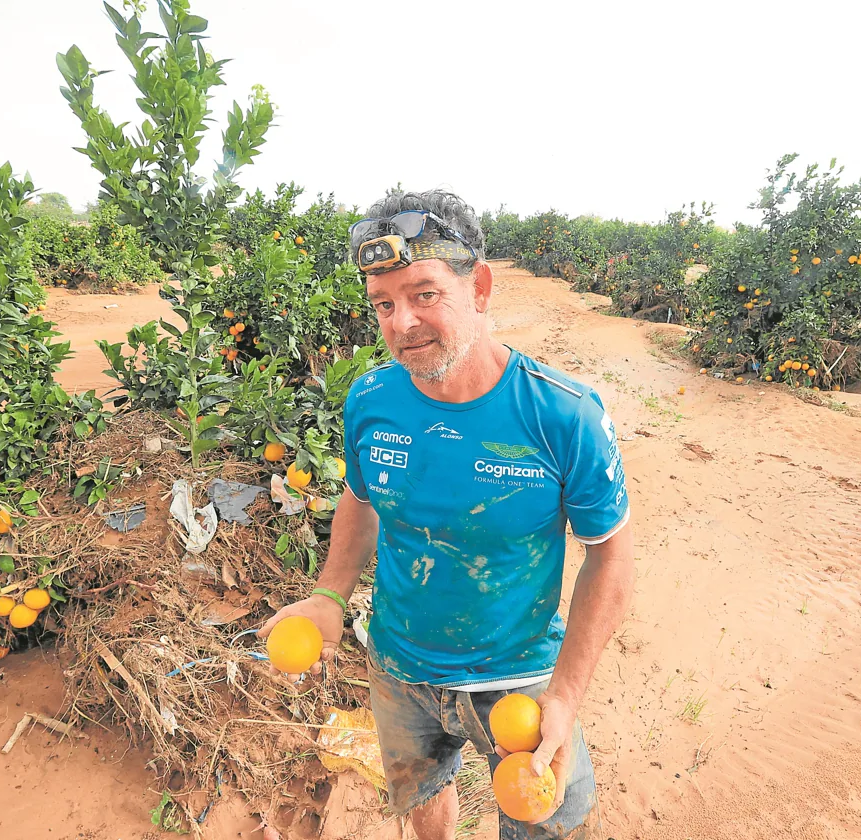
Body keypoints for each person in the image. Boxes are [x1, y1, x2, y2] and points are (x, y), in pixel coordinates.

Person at [259, 189, 635, 839]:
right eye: (383, 303)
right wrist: (328, 594)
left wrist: (566, 698)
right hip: (399, 667)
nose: (401, 322)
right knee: (422, 802)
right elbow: (361, 497)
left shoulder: (562, 414)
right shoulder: (372, 399)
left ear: (480, 288)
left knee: (545, 818)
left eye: (424, 294)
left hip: (518, 683)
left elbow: (612, 556)